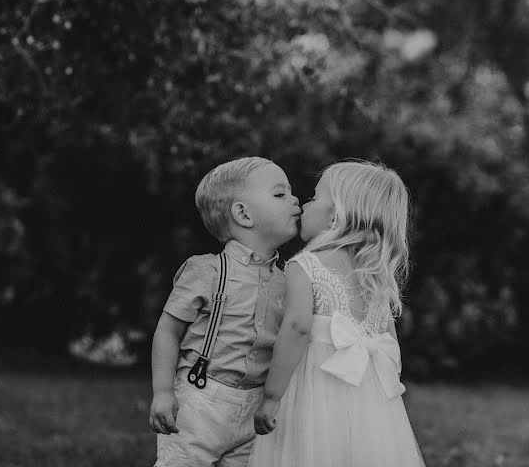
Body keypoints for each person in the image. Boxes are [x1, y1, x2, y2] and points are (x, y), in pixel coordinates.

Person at [249, 160, 426, 467]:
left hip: (315, 390)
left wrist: (273, 396)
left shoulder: (305, 265)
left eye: (315, 197)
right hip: (369, 402)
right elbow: (389, 344)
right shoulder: (375, 276)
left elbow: (297, 329)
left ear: (335, 214)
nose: (305, 204)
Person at [149, 156, 302, 467]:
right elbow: (168, 330)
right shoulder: (206, 270)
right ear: (243, 214)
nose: (295, 199)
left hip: (255, 410)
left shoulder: (289, 281)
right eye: (280, 194)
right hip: (201, 402)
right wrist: (163, 392)